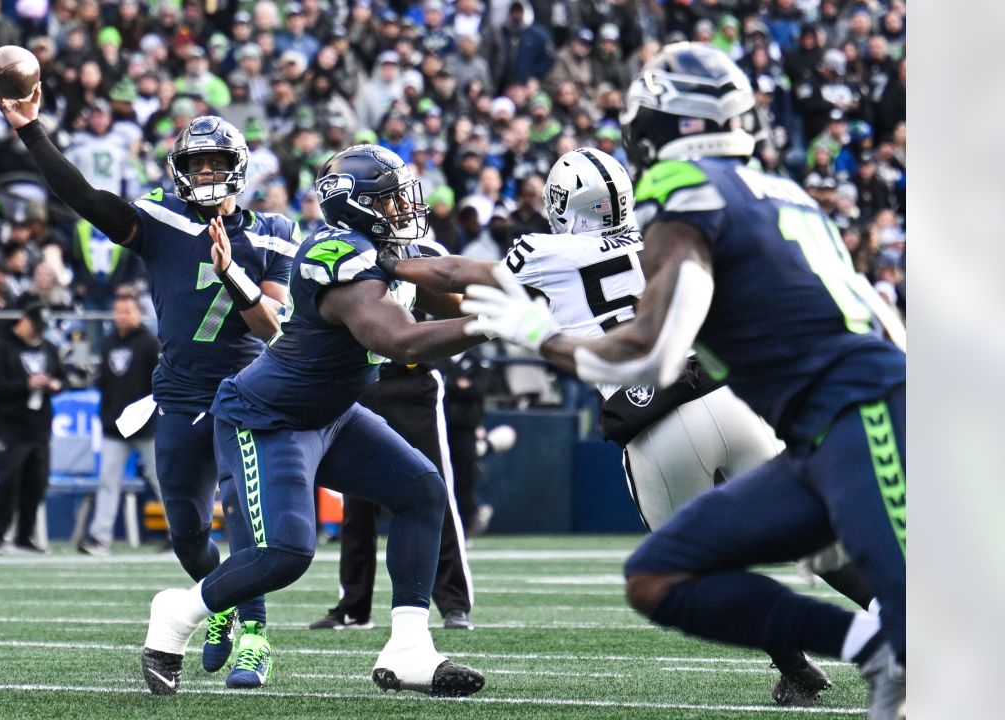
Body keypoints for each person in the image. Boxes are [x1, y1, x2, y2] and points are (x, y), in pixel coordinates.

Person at [456, 44, 906, 719]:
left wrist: (535, 335)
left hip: (850, 407)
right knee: (672, 574)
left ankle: (882, 651)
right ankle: (873, 644)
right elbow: (878, 310)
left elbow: (651, 356)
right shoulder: (787, 189)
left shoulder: (680, 191)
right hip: (792, 419)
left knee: (920, 602)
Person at [384, 145, 873, 705]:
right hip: (731, 401)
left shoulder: (545, 250)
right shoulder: (661, 232)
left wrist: (383, 260)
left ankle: (797, 665)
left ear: (565, 205)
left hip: (656, 425)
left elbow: (451, 271)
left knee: (693, 568)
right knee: (814, 537)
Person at [138, 145, 487, 699]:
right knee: (287, 552)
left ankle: (409, 649)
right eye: (390, 198)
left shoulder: (388, 249)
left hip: (331, 414)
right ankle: (177, 614)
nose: (403, 206)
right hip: (267, 417)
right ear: (358, 207)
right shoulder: (334, 254)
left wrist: (531, 277)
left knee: (422, 490)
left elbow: (452, 279)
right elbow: (398, 339)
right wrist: (498, 323)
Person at [0, 86, 298, 687]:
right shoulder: (161, 219)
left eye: (216, 163)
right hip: (181, 394)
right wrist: (32, 130)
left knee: (243, 513)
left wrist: (231, 273)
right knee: (186, 529)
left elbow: (271, 325)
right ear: (178, 172)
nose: (206, 173)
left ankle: (256, 634)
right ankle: (220, 603)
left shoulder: (273, 231)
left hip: (249, 391)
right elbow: (83, 197)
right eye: (195, 164)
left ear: (239, 169)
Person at [308, 240, 475, 633]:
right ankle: (354, 606)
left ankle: (453, 602)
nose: (399, 207)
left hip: (412, 383)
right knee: (357, 504)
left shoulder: (424, 249)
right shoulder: (348, 250)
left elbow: (453, 303)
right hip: (362, 382)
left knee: (434, 489)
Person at [78, 293, 163, 555]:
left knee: (162, 480)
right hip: (114, 426)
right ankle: (100, 538)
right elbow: (104, 382)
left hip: (145, 427)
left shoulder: (150, 343)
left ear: (138, 313)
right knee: (107, 481)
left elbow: (159, 383)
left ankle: (183, 534)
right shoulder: (109, 342)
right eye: (118, 311)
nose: (121, 317)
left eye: (126, 311)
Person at [0, 296, 64, 555]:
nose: (38, 332)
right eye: (35, 326)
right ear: (23, 320)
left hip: (39, 425)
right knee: (7, 481)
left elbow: (63, 376)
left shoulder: (48, 348)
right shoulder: (1, 347)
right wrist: (25, 385)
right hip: (10, 425)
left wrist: (54, 384)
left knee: (36, 483)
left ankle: (24, 536)